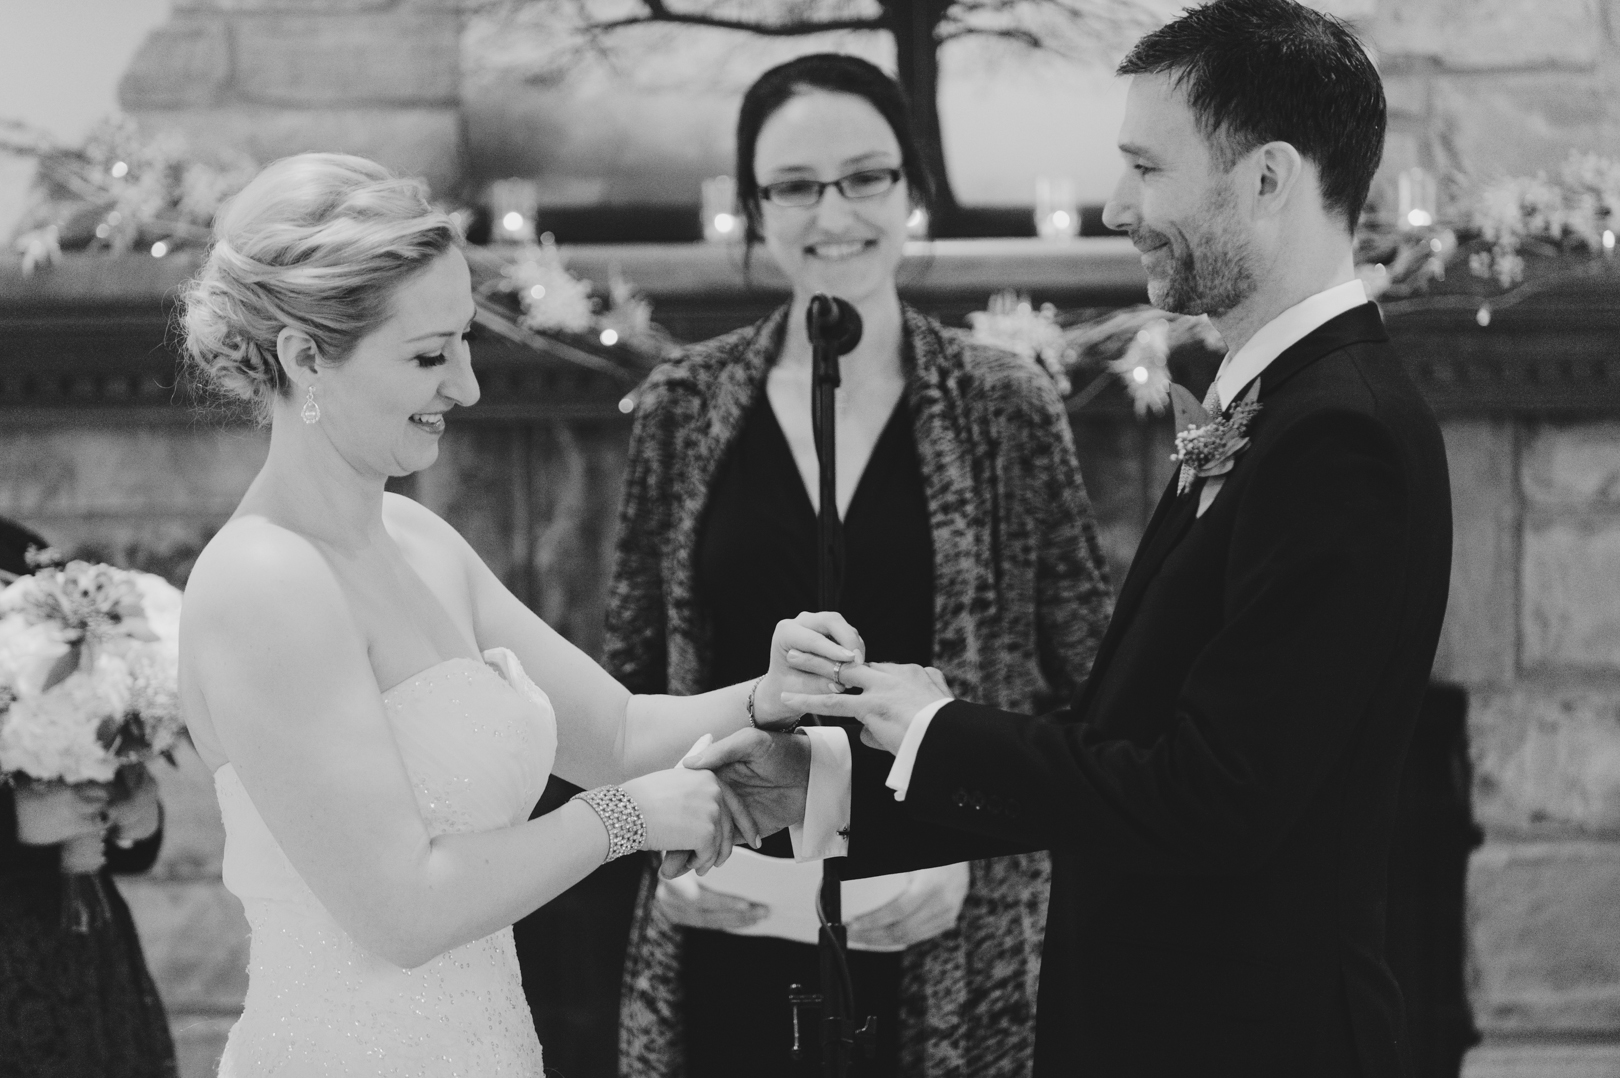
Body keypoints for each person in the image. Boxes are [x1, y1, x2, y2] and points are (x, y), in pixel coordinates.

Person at [696, 2, 1454, 1076]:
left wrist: (938, 721)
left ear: (1269, 179)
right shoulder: (1286, 407)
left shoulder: (1342, 438)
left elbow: (1208, 799)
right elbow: (1120, 753)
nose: (1117, 207)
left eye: (1147, 167)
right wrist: (824, 792)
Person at [174, 152, 848, 1076]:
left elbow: (614, 731)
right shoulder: (264, 582)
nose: (467, 386)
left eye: (464, 343)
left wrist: (767, 697)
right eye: (428, 355)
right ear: (303, 359)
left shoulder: (414, 537)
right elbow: (402, 912)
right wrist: (623, 821)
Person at [606, 53, 1112, 1078]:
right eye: (795, 185)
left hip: (943, 943)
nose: (833, 211)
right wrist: (655, 842)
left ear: (910, 189)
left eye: (866, 176)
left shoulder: (1007, 405)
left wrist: (986, 852)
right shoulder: (682, 404)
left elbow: (1089, 699)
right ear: (754, 207)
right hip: (730, 929)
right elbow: (625, 683)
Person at [0, 517, 177, 1078]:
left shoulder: (16, 545)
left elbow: (90, 693)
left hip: (83, 945)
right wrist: (14, 822)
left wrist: (133, 817)